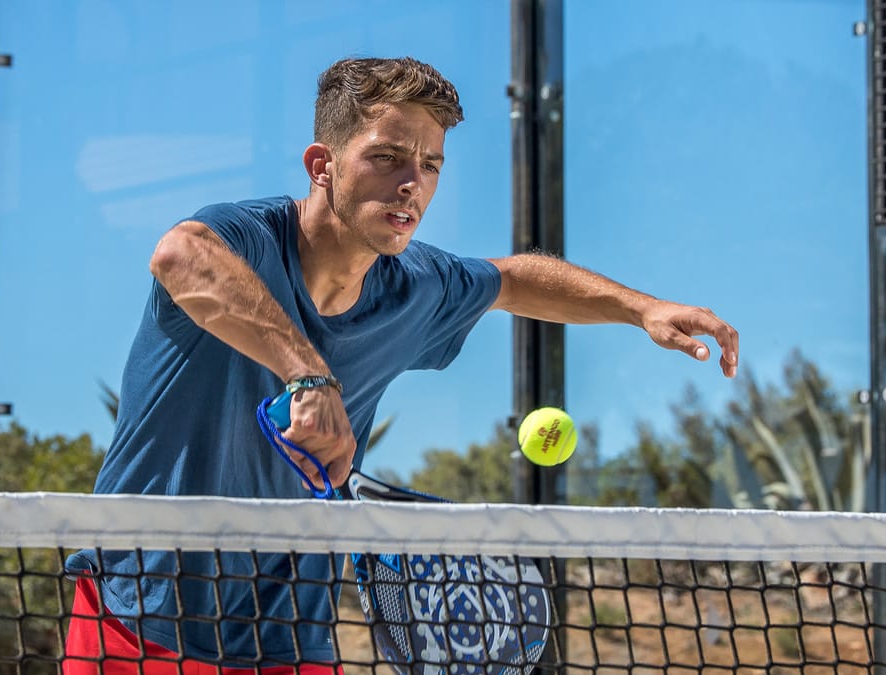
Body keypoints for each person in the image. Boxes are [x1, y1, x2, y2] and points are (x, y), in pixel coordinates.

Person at [63, 56, 738, 674]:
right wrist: (308, 371)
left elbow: (513, 278)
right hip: (140, 611)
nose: (411, 183)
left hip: (290, 634)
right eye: (386, 157)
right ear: (322, 165)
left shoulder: (417, 288)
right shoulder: (246, 238)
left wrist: (641, 308)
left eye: (431, 165)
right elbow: (180, 255)